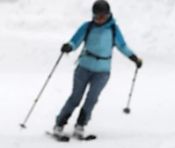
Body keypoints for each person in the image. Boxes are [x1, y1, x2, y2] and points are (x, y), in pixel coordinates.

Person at [53, 0, 142, 139]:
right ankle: (59, 124)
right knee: (75, 98)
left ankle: (81, 125)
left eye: (103, 16)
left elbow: (122, 46)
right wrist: (68, 47)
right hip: (83, 68)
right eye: (97, 16)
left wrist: (134, 58)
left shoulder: (113, 29)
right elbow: (75, 41)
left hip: (102, 71)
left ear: (108, 15)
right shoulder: (87, 27)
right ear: (93, 15)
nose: (100, 19)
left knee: (92, 99)